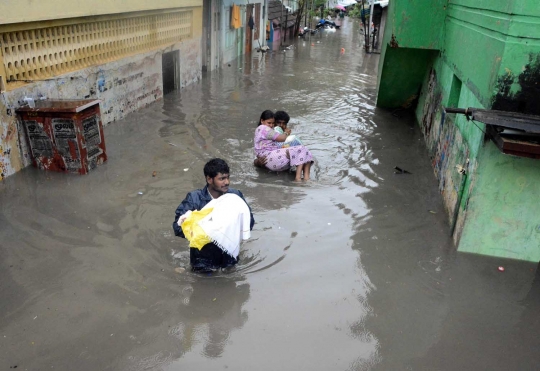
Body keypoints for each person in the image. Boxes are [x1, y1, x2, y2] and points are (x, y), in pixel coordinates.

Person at [173, 158, 255, 271]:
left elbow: (249, 221)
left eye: (227, 177)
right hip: (202, 261)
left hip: (229, 258)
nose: (227, 182)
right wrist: (203, 229)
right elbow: (177, 227)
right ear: (209, 179)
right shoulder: (194, 199)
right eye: (221, 178)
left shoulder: (235, 196)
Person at [253, 110, 313, 181]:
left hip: (285, 175)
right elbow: (257, 158)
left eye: (284, 123)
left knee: (305, 151)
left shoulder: (284, 140)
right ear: (262, 121)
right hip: (271, 172)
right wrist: (258, 162)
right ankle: (298, 179)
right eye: (278, 123)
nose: (281, 125)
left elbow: (302, 156)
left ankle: (306, 179)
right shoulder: (264, 131)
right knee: (301, 149)